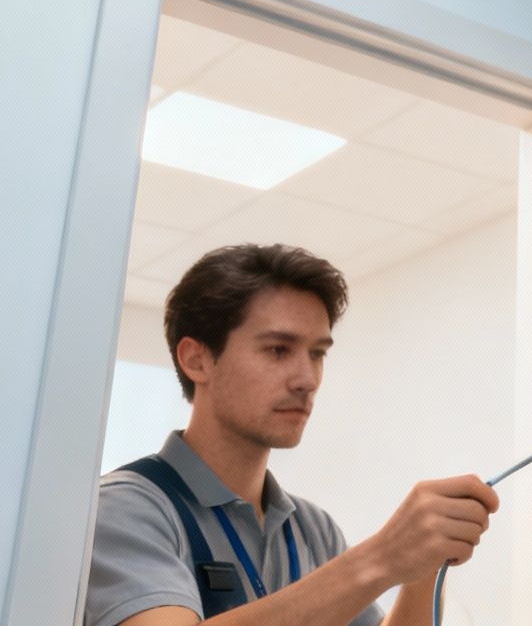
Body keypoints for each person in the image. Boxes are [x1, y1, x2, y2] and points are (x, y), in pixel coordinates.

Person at [85, 243, 497, 626]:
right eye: (278, 350)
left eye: (317, 354)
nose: (307, 379)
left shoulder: (312, 529)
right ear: (198, 360)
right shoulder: (123, 510)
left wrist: (421, 568)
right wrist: (381, 559)